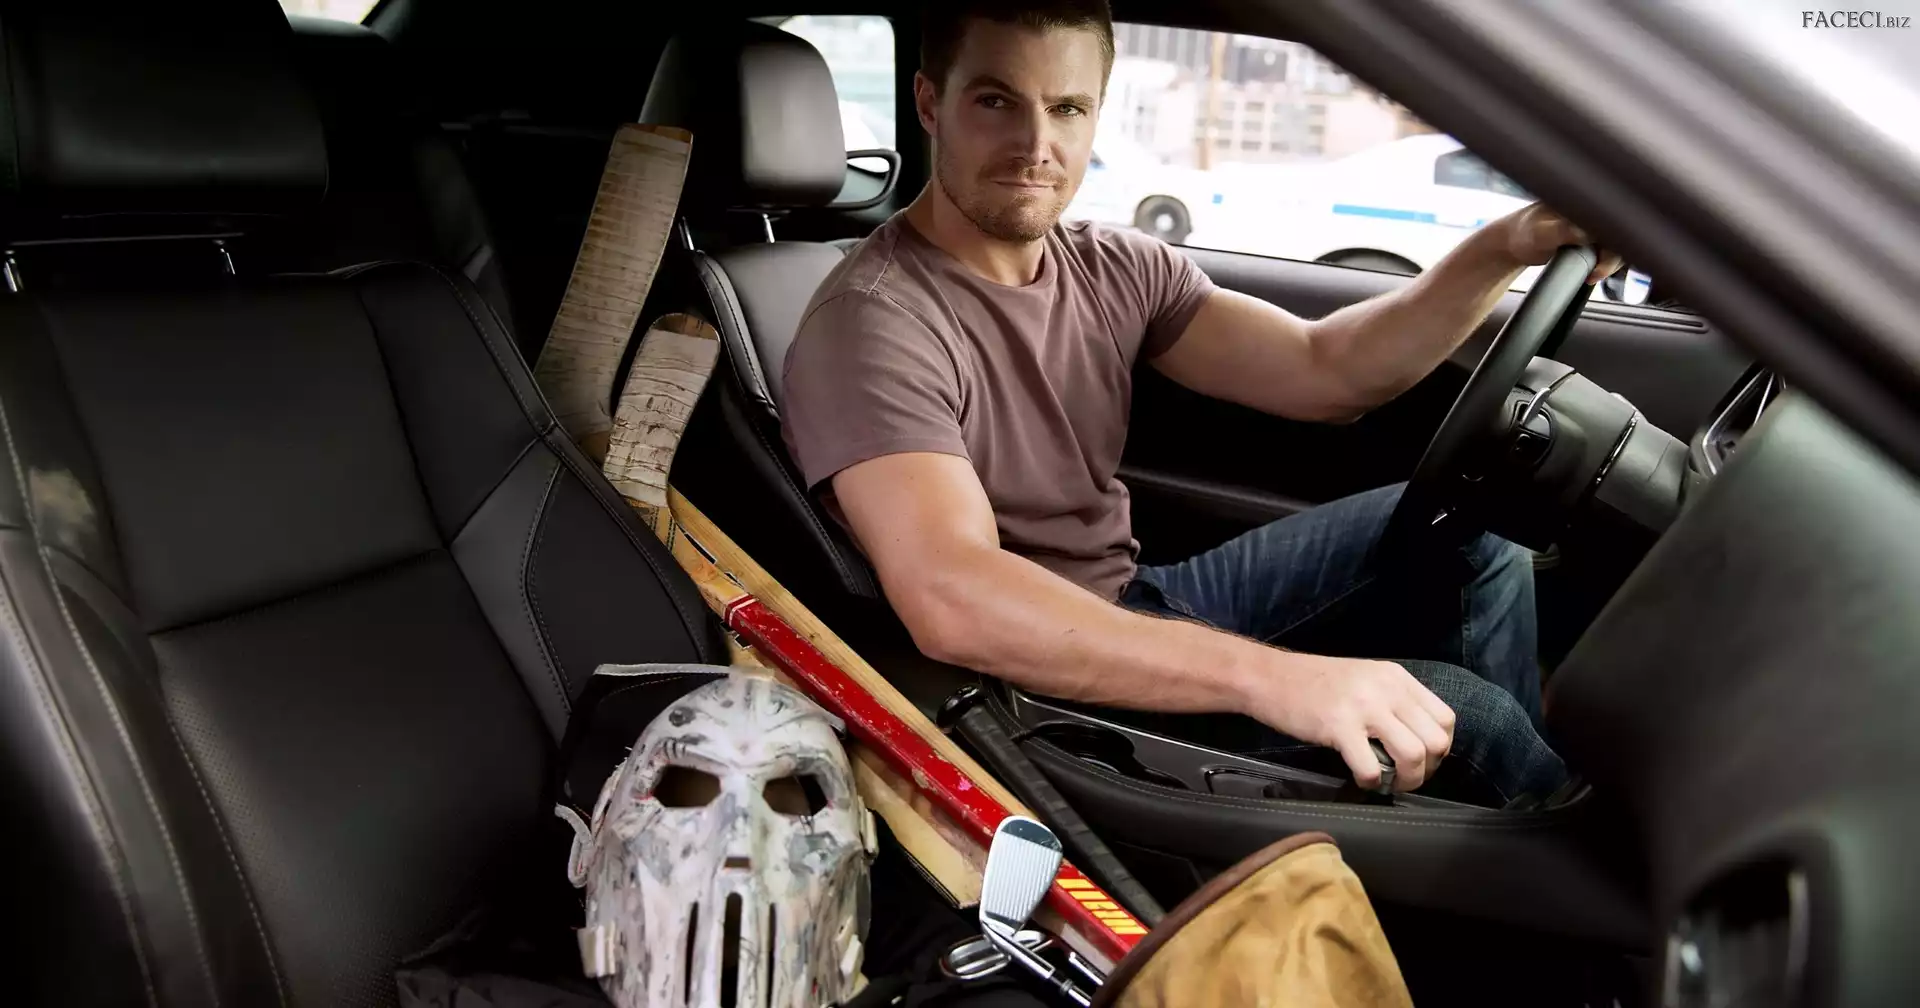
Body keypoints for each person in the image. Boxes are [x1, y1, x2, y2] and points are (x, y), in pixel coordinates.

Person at [780, 0, 1617, 802]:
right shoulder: (873, 323)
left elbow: (1326, 368)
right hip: (1038, 685)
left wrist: (1506, 246)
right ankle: (1552, 863)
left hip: (1137, 594)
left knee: (1471, 526)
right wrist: (1273, 679)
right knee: (1470, 719)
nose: (1037, 145)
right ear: (930, 103)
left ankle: (1486, 822)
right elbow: (953, 598)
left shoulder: (1112, 266)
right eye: (997, 101)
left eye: (1067, 108)